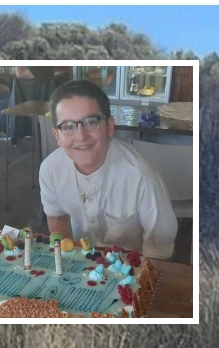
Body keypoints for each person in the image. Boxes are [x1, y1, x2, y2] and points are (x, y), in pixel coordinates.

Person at [40, 80, 177, 259]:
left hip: (131, 267)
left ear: (109, 126)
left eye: (90, 122)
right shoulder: (50, 170)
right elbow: (57, 218)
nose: (81, 136)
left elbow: (158, 247)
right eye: (68, 127)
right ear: (57, 135)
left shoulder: (141, 177)